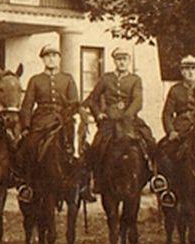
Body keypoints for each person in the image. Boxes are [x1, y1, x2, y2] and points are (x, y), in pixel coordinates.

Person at [83, 46, 156, 194]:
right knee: (97, 145)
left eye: (124, 59)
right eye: (118, 59)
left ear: (129, 61)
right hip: (110, 121)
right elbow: (92, 99)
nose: (121, 62)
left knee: (149, 140)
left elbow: (137, 101)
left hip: (130, 120)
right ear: (114, 61)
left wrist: (127, 115)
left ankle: (152, 175)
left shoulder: (135, 80)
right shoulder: (106, 78)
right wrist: (98, 114)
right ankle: (95, 179)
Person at [16, 44, 79, 200]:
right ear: (43, 60)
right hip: (41, 121)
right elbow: (27, 105)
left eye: (54, 56)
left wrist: (68, 117)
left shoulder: (67, 79)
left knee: (78, 148)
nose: (51, 59)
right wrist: (26, 126)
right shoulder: (35, 80)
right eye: (47, 56)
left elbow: (74, 102)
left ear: (59, 59)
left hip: (63, 121)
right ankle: (27, 185)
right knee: (29, 146)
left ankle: (80, 184)